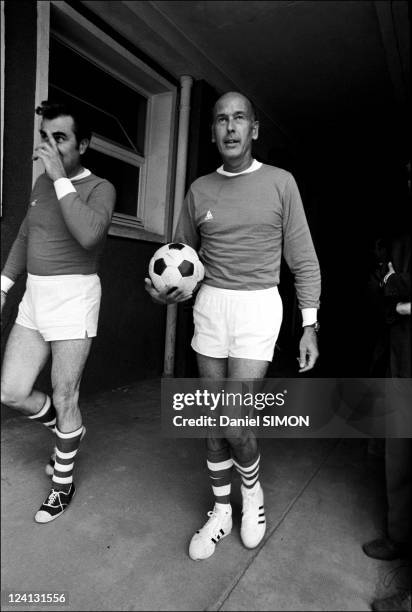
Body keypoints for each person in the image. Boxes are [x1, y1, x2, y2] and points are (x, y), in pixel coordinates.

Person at [146, 91, 321, 560]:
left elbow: (302, 259)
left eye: (239, 118)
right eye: (221, 119)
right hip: (210, 307)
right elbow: (179, 255)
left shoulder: (281, 183)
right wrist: (162, 287)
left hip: (258, 306)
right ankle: (222, 510)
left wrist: (310, 324)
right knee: (213, 420)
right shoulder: (200, 188)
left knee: (236, 420)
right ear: (213, 132)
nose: (230, 127)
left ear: (253, 129)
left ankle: (253, 496)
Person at [1, 101, 116, 523]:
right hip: (35, 296)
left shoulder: (100, 187)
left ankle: (61, 485)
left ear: (82, 144)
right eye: (45, 138)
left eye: (60, 138)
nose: (49, 147)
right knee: (10, 390)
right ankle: (68, 431)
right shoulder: (40, 184)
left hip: (74, 296)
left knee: (66, 393)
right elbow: (25, 236)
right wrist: (3, 287)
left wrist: (59, 180)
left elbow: (89, 236)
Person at [362, 231, 411, 612]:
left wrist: (399, 290)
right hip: (402, 358)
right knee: (399, 455)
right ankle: (400, 538)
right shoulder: (403, 236)